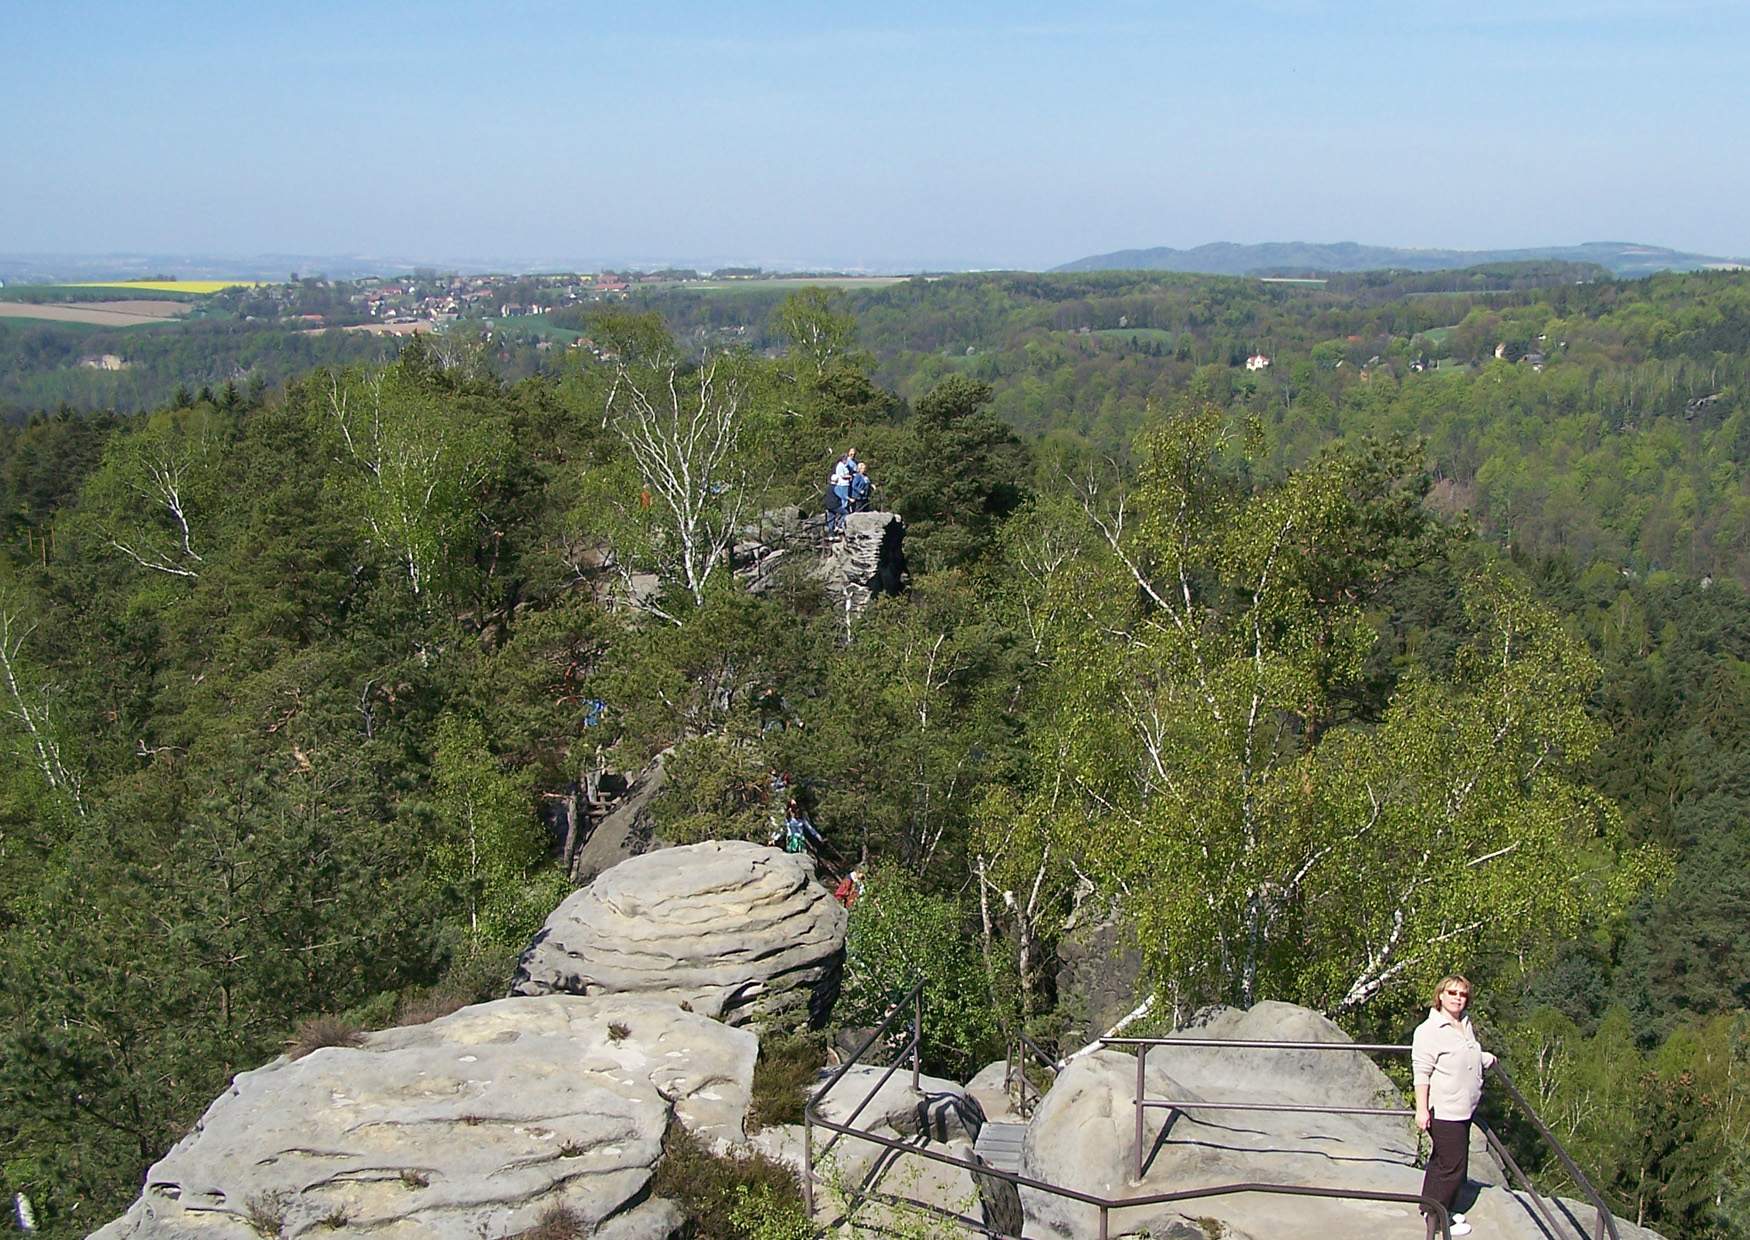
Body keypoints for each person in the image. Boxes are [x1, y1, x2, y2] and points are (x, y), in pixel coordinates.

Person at [1412, 974, 1495, 1237]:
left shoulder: (1464, 1024)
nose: (1458, 998)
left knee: (1441, 1161)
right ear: (1440, 995)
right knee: (1452, 1166)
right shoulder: (1429, 1031)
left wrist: (1483, 1058)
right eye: (1452, 993)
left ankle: (1429, 1206)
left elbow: (1463, 1053)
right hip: (1446, 1108)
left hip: (1463, 1106)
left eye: (1462, 994)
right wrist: (1421, 1109)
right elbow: (1422, 1072)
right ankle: (1439, 1218)